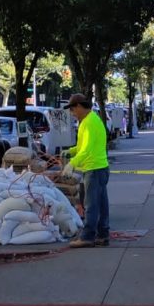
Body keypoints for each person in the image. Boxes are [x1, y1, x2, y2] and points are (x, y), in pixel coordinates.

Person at [62, 94, 110, 248]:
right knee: (101, 204)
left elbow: (87, 150)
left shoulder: (88, 123)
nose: (72, 113)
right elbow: (83, 147)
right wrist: (71, 151)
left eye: (72, 110)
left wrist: (72, 164)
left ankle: (87, 237)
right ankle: (102, 234)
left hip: (93, 169)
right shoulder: (91, 120)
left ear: (79, 106)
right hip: (100, 167)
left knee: (91, 205)